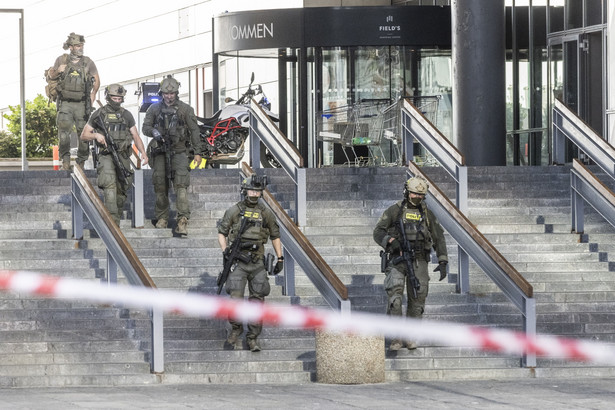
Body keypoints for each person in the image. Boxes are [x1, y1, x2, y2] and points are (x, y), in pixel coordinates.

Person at [373, 177, 448, 351]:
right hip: (397, 260)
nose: (416, 197)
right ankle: (396, 338)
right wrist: (391, 241)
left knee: (418, 299)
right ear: (407, 192)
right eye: (414, 193)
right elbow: (378, 231)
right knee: (395, 299)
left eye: (420, 195)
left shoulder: (427, 214)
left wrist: (442, 259)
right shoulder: (394, 211)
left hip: (419, 260)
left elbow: (438, 237)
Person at [217, 175, 284, 352]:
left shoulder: (265, 213)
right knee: (235, 300)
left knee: (257, 300)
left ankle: (253, 337)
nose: (254, 194)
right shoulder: (234, 211)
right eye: (251, 190)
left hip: (257, 263)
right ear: (245, 191)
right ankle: (236, 328)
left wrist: (280, 258)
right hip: (238, 262)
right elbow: (222, 232)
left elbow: (275, 235)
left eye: (257, 190)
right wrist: (225, 251)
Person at [142, 76, 204, 236]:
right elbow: (145, 127)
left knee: (181, 186)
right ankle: (162, 217)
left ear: (177, 93)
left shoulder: (185, 109)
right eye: (166, 93)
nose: (169, 96)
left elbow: (195, 131)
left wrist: (198, 152)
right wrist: (153, 132)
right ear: (161, 93)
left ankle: (182, 220)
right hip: (161, 152)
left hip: (180, 152)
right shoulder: (154, 109)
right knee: (160, 185)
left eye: (172, 93)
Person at [80, 84, 149, 226]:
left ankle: (114, 219)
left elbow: (135, 135)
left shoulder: (126, 115)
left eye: (119, 98)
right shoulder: (99, 114)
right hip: (106, 156)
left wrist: (143, 153)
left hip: (123, 155)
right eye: (114, 98)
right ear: (108, 97)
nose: (117, 100)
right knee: (109, 186)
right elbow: (84, 135)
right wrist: (96, 135)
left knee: (122, 189)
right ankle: (113, 225)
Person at [46, 32, 100, 170]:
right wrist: (58, 70)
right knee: (64, 135)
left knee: (84, 135)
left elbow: (96, 80)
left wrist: (92, 96)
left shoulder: (88, 62)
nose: (80, 47)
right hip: (65, 103)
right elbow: (50, 76)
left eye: (81, 45)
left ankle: (80, 163)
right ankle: (65, 161)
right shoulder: (61, 60)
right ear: (70, 47)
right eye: (77, 45)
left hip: (82, 104)